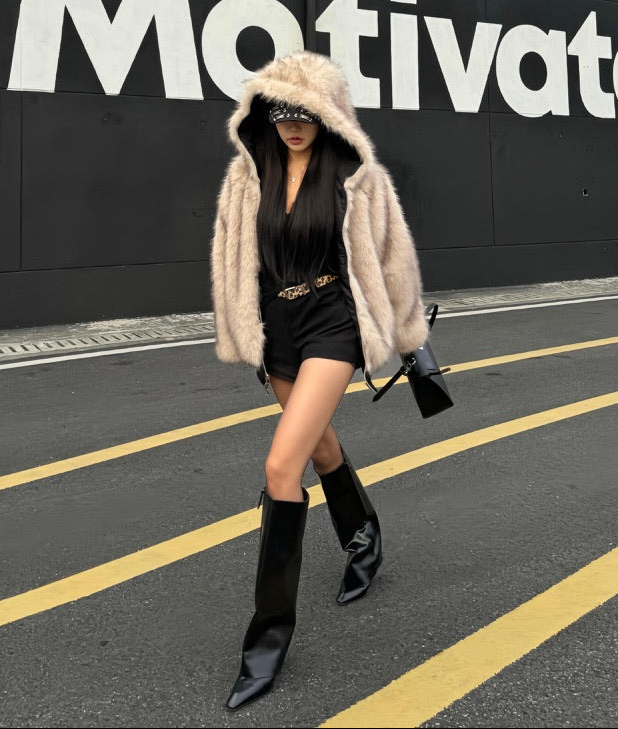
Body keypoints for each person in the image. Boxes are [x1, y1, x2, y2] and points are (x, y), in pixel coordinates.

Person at [210, 51, 429, 710]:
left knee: (282, 465)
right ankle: (364, 536)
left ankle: (266, 640)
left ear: (327, 113)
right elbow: (232, 260)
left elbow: (392, 259)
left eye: (304, 112)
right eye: (280, 111)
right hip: (275, 328)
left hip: (333, 319)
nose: (292, 124)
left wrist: (411, 340)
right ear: (263, 113)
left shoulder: (358, 176)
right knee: (320, 446)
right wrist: (243, 328)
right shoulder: (247, 177)